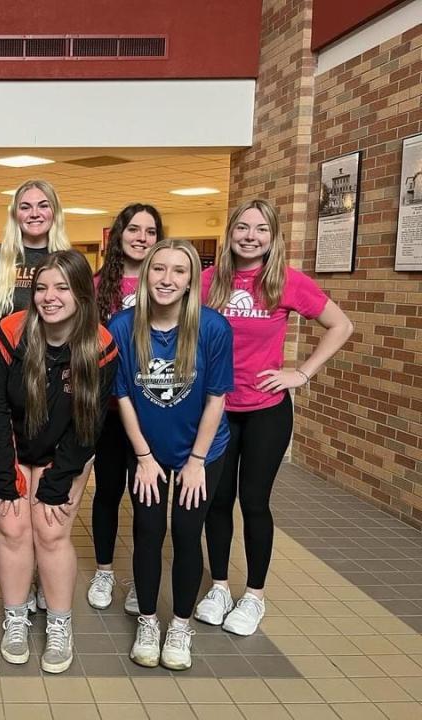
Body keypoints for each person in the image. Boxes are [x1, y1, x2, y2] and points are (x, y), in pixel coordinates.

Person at [195, 199, 353, 636]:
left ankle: (255, 596)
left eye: (260, 229)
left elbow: (341, 326)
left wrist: (300, 373)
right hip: (218, 410)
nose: (250, 236)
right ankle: (221, 587)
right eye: (242, 227)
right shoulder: (207, 282)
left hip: (267, 409)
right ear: (230, 233)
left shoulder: (286, 282)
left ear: (273, 236)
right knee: (217, 500)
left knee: (255, 502)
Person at [0, 250, 117, 673]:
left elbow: (90, 421)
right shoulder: (9, 332)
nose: (49, 296)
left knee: (52, 531)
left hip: (66, 447)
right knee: (13, 526)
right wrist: (6, 474)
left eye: (61, 287)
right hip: (11, 444)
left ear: (81, 293)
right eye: (41, 287)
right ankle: (16, 618)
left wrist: (60, 478)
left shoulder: (99, 344)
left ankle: (60, 624)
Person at [108, 238, 233, 671]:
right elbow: (122, 394)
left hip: (202, 451)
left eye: (178, 271)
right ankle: (147, 620)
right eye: (159, 269)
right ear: (146, 275)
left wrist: (197, 462)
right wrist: (142, 456)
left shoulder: (213, 328)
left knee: (185, 530)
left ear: (191, 280)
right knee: (147, 530)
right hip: (147, 449)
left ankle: (179, 625)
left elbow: (217, 398)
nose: (167, 279)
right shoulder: (123, 326)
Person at [88, 204, 163, 613]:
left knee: (145, 497)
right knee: (108, 491)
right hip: (109, 409)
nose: (141, 237)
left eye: (150, 232)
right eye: (133, 229)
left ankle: (141, 575)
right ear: (118, 235)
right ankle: (104, 570)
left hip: (152, 409)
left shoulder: (166, 283)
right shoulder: (100, 284)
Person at [0, 179, 70, 322]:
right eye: (25, 207)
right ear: (15, 214)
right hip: (5, 343)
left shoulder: (70, 263)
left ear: (55, 212)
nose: (35, 214)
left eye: (43, 206)